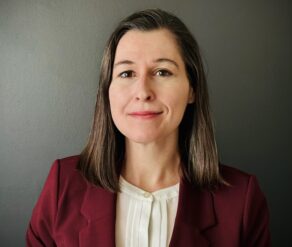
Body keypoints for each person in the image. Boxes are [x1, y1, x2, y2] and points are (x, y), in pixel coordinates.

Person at [26, 8, 271, 247]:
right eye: (127, 73)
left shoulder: (242, 201)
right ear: (107, 90)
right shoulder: (62, 186)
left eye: (162, 72)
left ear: (192, 89)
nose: (143, 92)